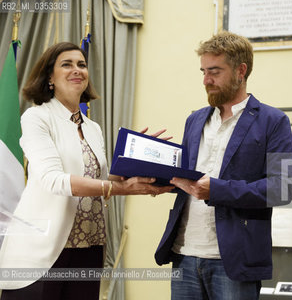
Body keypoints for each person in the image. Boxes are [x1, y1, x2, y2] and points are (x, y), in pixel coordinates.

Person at [0, 42, 173, 300]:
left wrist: (136, 163)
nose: (77, 70)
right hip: (44, 251)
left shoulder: (93, 128)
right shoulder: (37, 118)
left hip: (89, 246)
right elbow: (53, 180)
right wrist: (119, 188)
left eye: (81, 64)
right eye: (66, 64)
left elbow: (99, 181)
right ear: (49, 77)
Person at [154, 31, 292, 299]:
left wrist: (216, 190)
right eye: (203, 71)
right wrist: (152, 171)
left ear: (241, 71)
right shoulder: (194, 120)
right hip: (183, 255)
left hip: (233, 261)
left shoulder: (273, 121)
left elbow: (282, 188)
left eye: (215, 71)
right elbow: (188, 180)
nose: (206, 80)